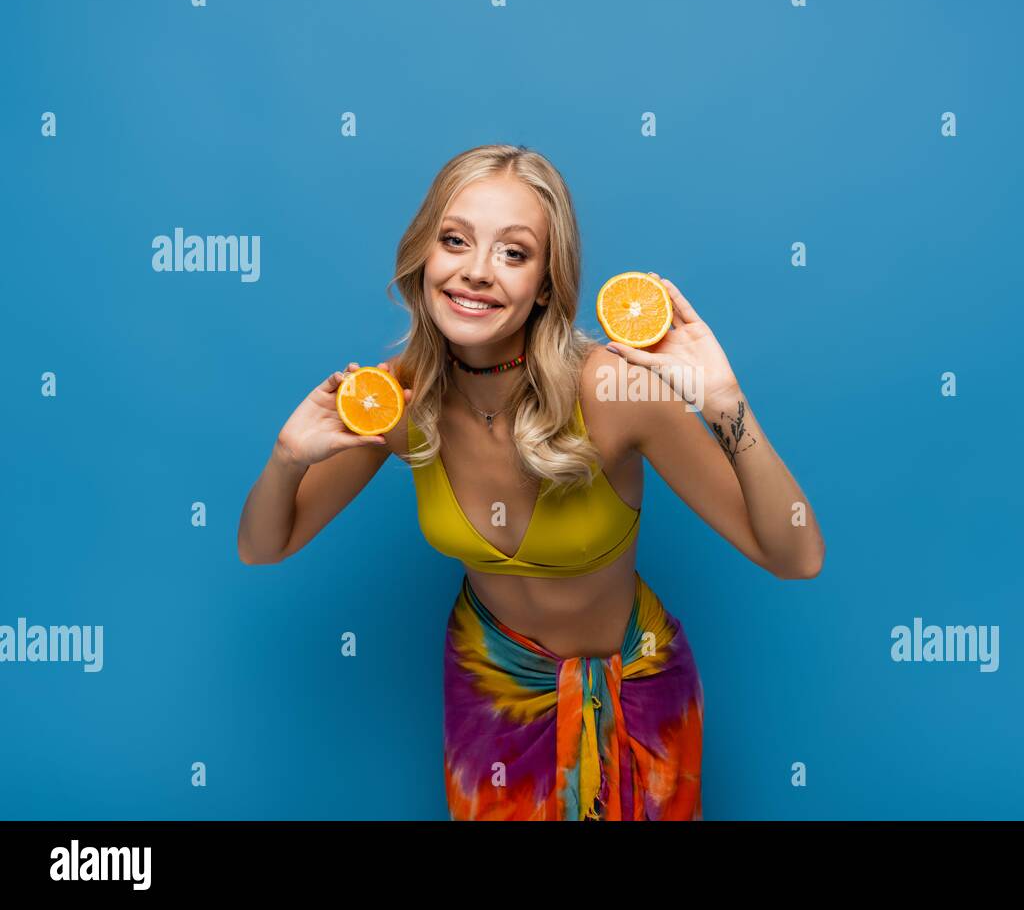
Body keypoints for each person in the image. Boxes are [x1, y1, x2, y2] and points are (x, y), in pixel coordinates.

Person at [237, 144, 825, 820]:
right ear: (425, 255)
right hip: (490, 690)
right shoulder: (397, 396)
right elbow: (263, 545)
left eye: (513, 252)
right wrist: (287, 456)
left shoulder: (613, 388)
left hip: (638, 682)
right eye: (455, 240)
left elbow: (796, 555)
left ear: (547, 281)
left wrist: (725, 401)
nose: (476, 272)